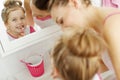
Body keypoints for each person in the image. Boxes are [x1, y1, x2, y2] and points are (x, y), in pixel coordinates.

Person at [33, 0, 120, 79]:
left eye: (62, 21)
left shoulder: (113, 27)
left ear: (74, 3)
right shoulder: (95, 30)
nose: (63, 29)